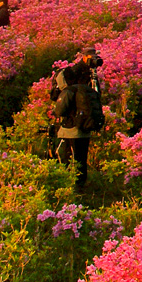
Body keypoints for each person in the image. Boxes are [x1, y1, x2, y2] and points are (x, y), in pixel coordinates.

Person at [51, 47, 104, 188]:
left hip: (75, 125)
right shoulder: (73, 74)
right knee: (79, 157)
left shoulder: (87, 76)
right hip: (82, 126)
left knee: (70, 157)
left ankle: (71, 187)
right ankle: (78, 187)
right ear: (85, 57)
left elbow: (60, 109)